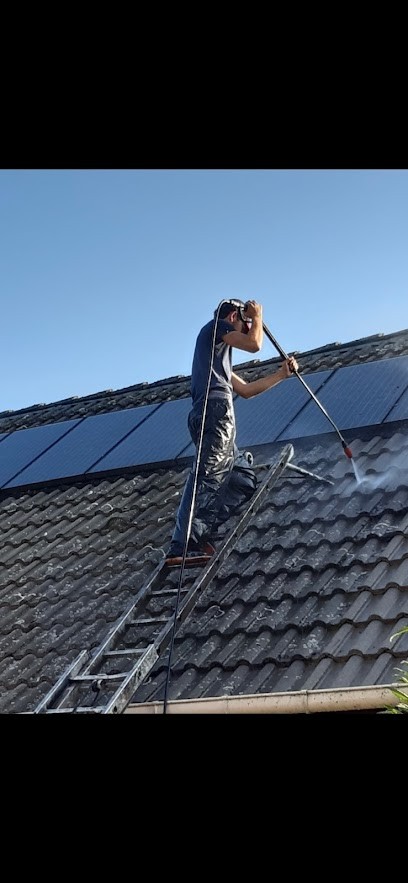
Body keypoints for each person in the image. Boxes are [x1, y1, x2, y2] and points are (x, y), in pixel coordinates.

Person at [165, 299, 299, 566]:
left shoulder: (217, 362)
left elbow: (247, 391)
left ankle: (201, 533)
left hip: (218, 414)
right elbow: (254, 344)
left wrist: (281, 375)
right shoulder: (216, 326)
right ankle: (182, 543)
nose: (246, 328)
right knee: (208, 474)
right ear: (232, 317)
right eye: (243, 323)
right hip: (213, 412)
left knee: (241, 479)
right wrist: (258, 316)